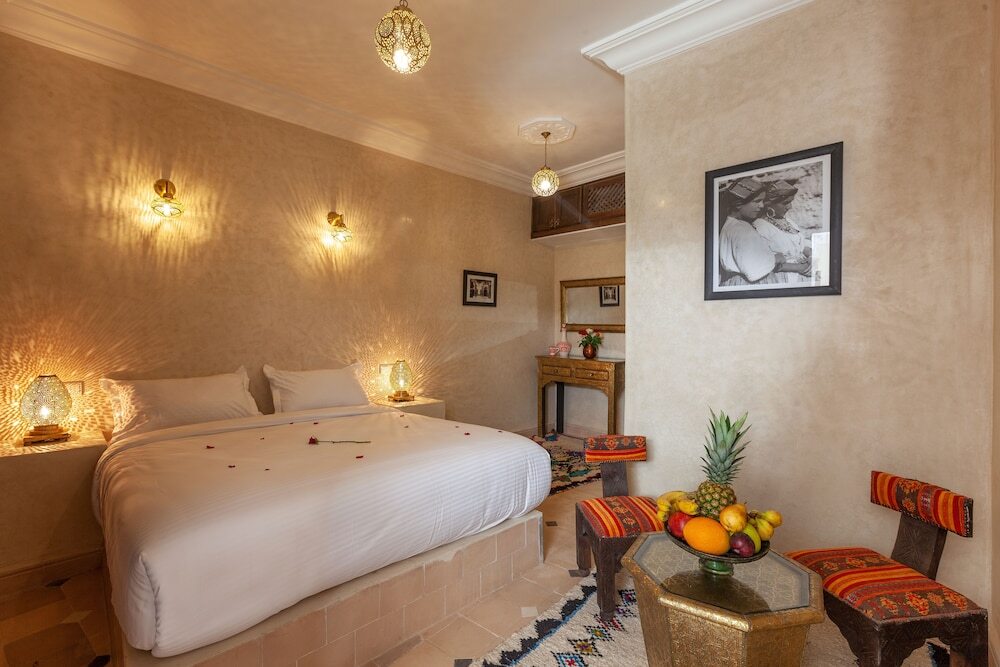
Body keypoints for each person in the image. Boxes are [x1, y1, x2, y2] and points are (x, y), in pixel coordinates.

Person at [717, 178, 809, 286]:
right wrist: (775, 259)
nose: (761, 205)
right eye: (757, 201)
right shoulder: (740, 229)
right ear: (738, 204)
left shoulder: (738, 226)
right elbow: (753, 270)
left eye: (762, 201)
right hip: (745, 284)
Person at [751, 180, 812, 283]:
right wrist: (800, 268)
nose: (790, 207)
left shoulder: (790, 222)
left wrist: (811, 256)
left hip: (803, 275)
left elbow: (801, 245)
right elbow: (764, 262)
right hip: (781, 279)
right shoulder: (759, 227)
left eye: (790, 202)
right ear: (769, 204)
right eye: (785, 203)